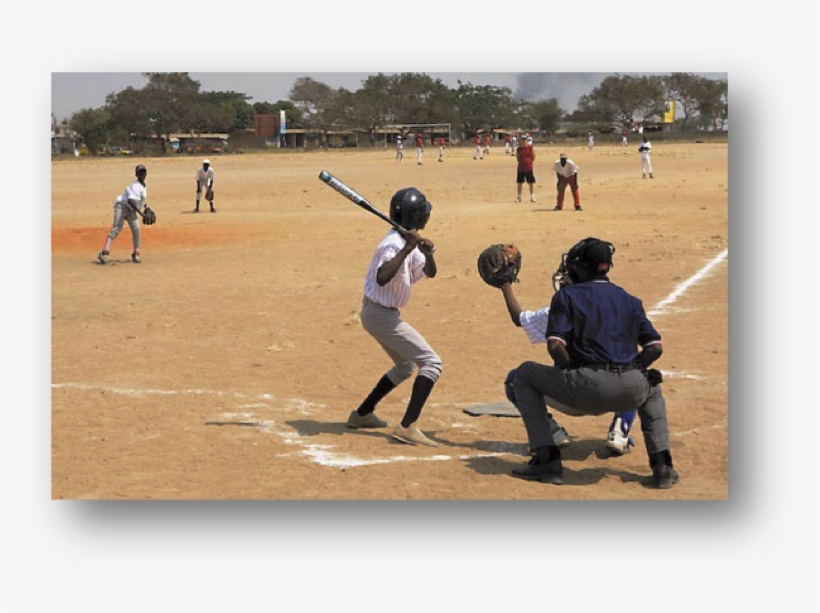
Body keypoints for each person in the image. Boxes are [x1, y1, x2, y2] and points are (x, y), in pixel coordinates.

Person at [506, 236, 677, 488]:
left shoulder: (568, 296)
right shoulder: (630, 299)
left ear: (582, 267)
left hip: (584, 386)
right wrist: (637, 368)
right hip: (629, 389)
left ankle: (547, 459)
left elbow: (555, 346)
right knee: (652, 385)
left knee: (522, 375)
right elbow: (654, 348)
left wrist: (571, 369)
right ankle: (662, 466)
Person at [496, 276, 637, 455]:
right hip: (612, 396)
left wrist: (505, 286)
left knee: (514, 381)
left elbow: (519, 318)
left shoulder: (554, 312)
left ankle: (551, 433)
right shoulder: (617, 311)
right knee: (635, 372)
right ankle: (620, 431)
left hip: (570, 395)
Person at [347, 187, 442, 447]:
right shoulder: (393, 244)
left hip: (381, 314)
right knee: (432, 363)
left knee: (404, 367)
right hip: (379, 315)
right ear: (417, 217)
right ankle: (407, 427)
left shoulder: (406, 241)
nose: (427, 218)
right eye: (424, 214)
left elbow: (429, 272)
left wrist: (428, 253)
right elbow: (382, 276)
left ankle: (361, 414)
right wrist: (407, 248)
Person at [97, 164, 150, 265]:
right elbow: (130, 201)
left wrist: (146, 206)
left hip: (131, 209)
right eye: (140, 172)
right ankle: (104, 253)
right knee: (116, 229)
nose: (142, 174)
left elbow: (140, 199)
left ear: (146, 173)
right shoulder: (136, 186)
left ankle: (136, 253)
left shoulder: (143, 185)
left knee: (136, 229)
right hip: (121, 206)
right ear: (136, 174)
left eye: (143, 172)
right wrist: (142, 214)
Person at [515, 135, 537, 203]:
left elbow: (533, 157)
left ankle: (532, 196)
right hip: (521, 168)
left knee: (531, 183)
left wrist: (529, 162)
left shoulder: (530, 148)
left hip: (529, 167)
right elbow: (518, 158)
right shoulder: (518, 149)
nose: (523, 141)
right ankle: (519, 196)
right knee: (520, 182)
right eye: (522, 140)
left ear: (527, 141)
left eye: (525, 140)